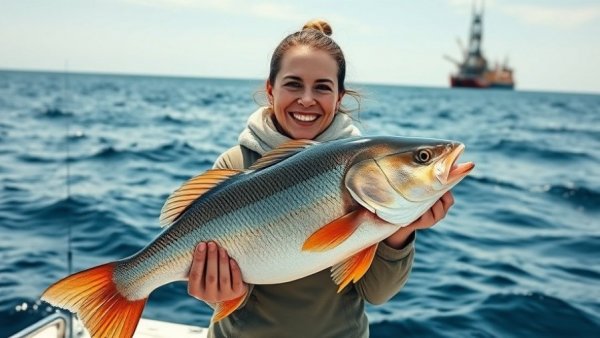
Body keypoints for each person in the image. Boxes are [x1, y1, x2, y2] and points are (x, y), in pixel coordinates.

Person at [187, 20, 455, 338]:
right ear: (270, 89)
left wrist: (402, 230)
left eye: (323, 87)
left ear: (339, 97)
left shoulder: (374, 176)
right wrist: (215, 293)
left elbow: (378, 294)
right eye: (293, 84)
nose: (307, 99)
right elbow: (215, 291)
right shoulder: (234, 165)